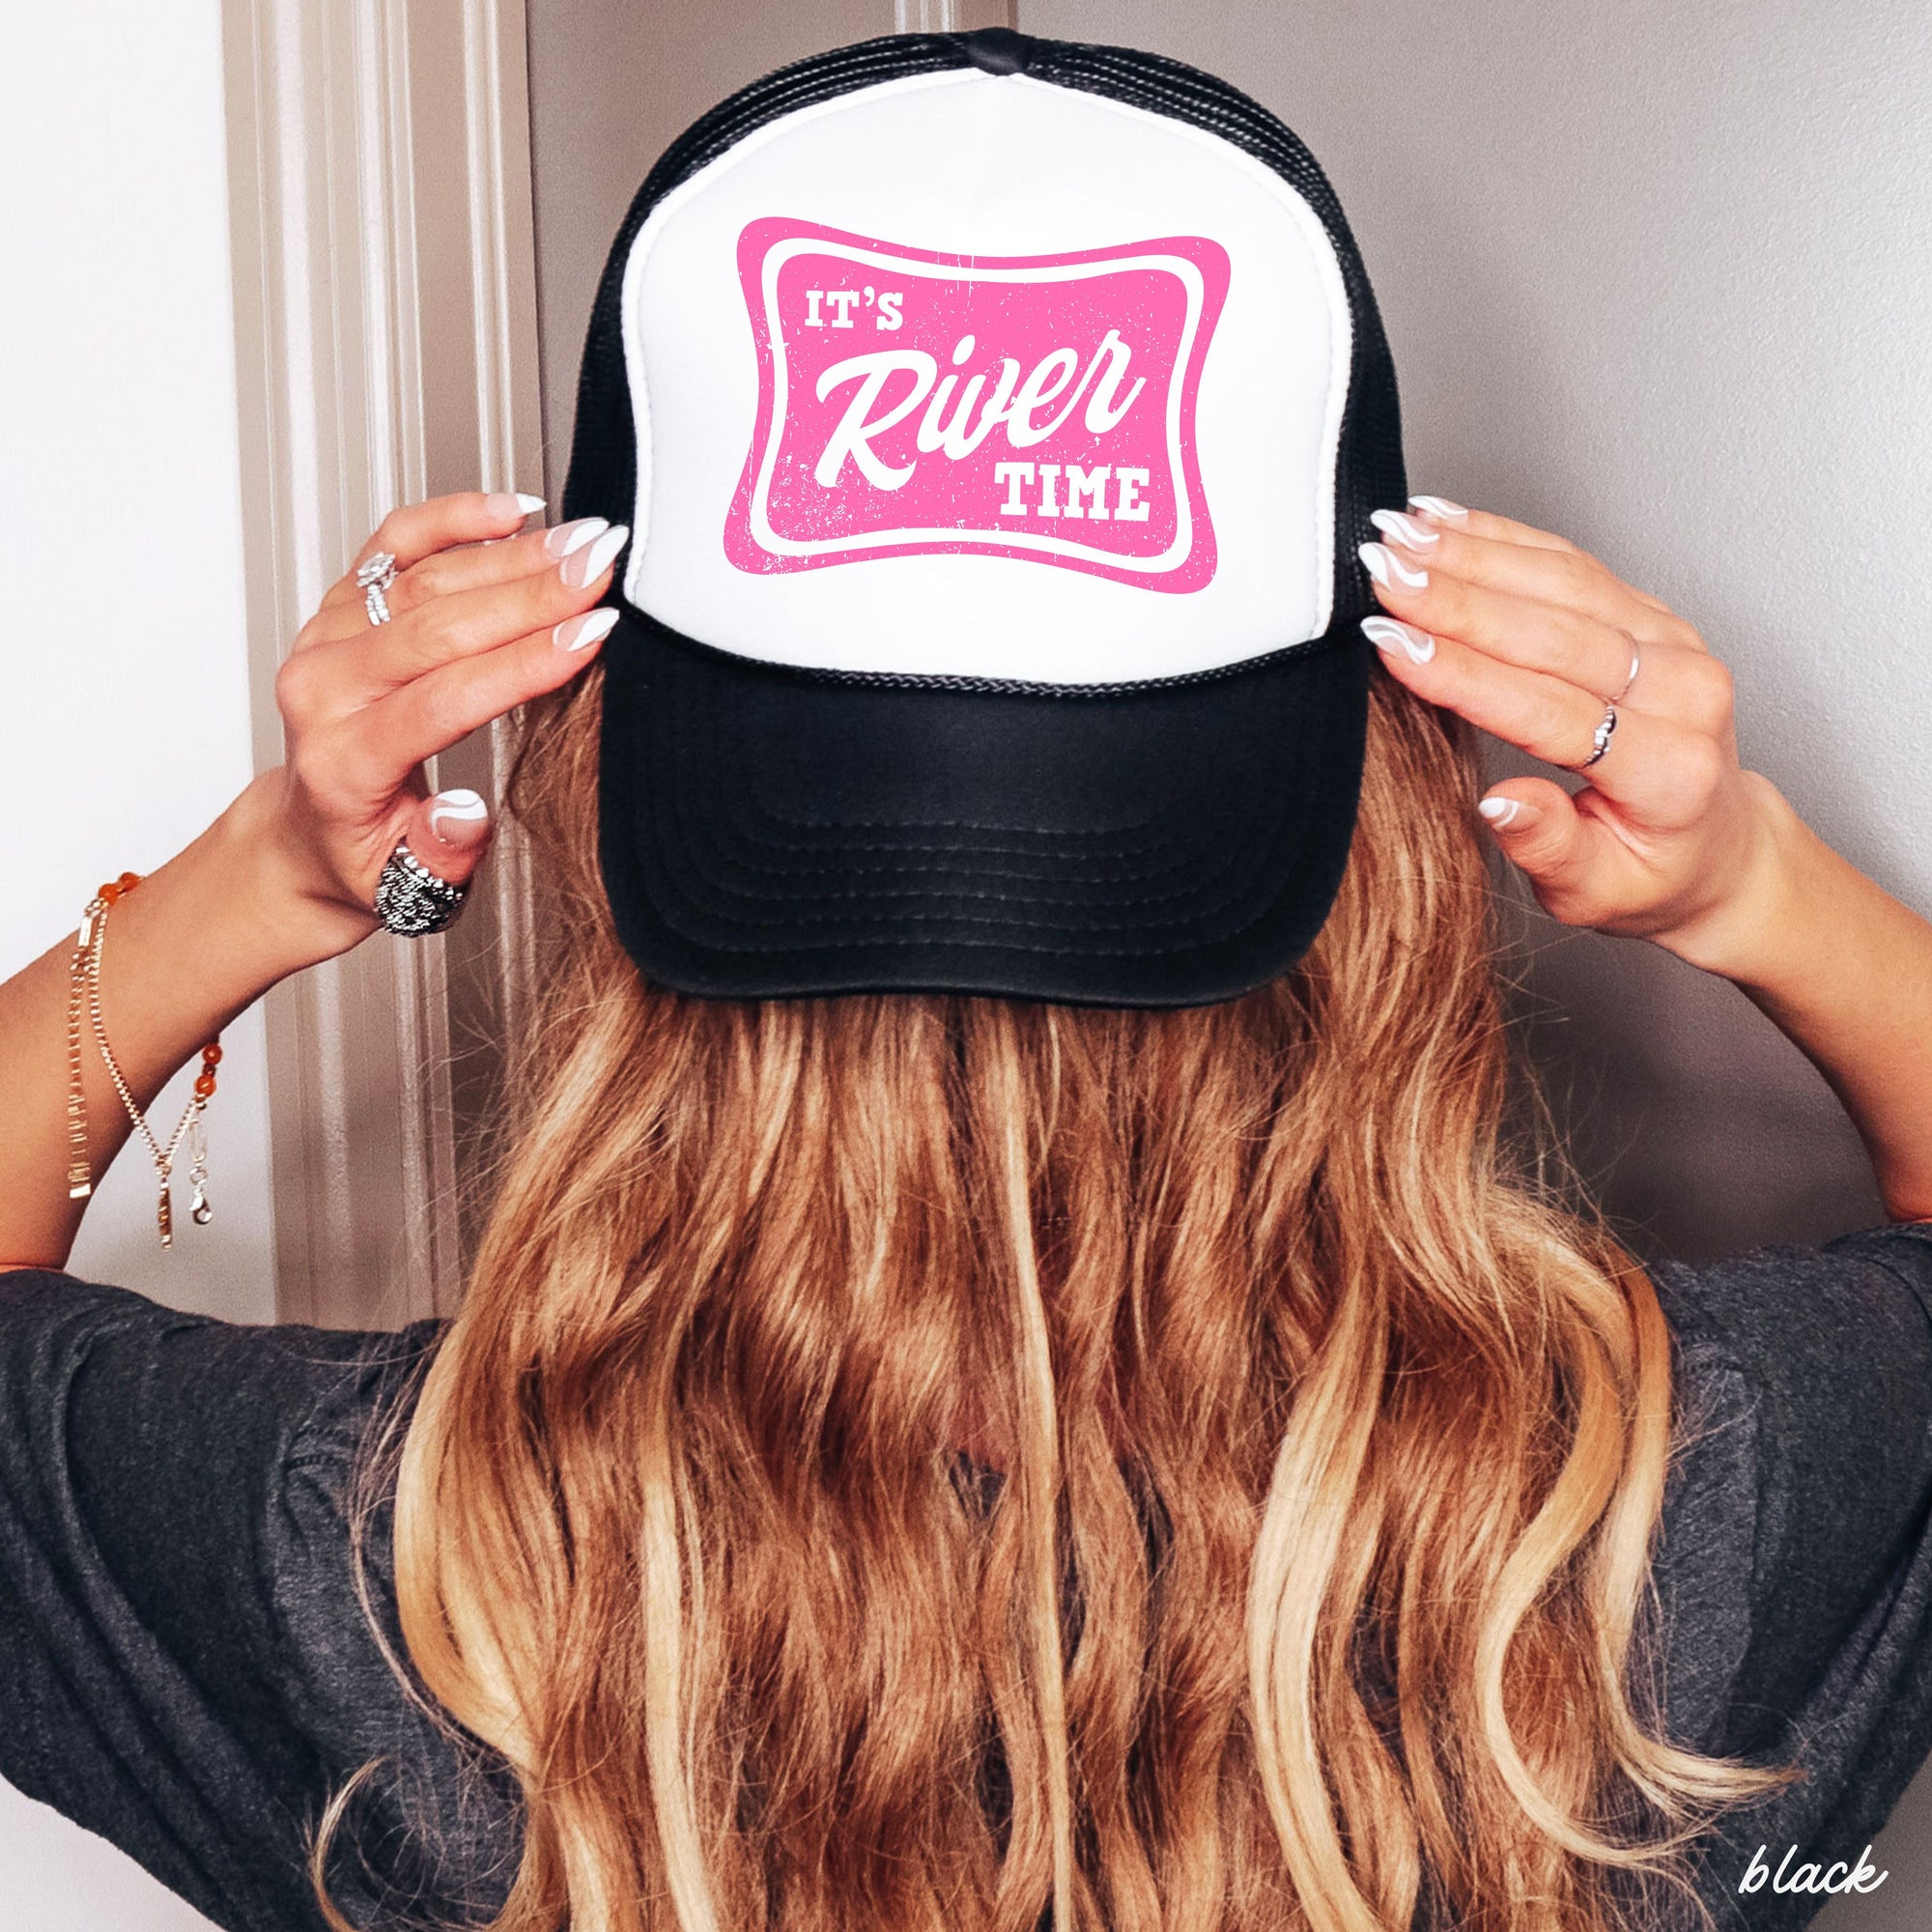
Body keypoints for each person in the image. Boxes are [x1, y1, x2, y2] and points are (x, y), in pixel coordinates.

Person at [2, 485, 1930, 1932]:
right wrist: (1746, 876)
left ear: (628, 859)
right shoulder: (1635, 1518)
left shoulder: (409, 1570)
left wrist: (274, 869)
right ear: (1389, 861)